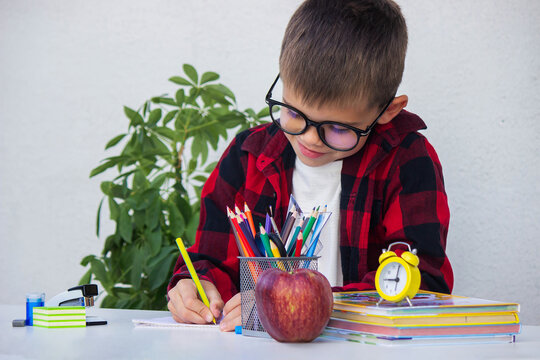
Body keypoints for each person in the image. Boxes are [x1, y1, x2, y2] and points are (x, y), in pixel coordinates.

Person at [167, 0, 453, 332]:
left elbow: (424, 286)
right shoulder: (247, 156)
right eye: (294, 114)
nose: (311, 139)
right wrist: (194, 286)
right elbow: (210, 260)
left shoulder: (406, 160)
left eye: (339, 129)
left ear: (387, 111)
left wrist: (306, 305)